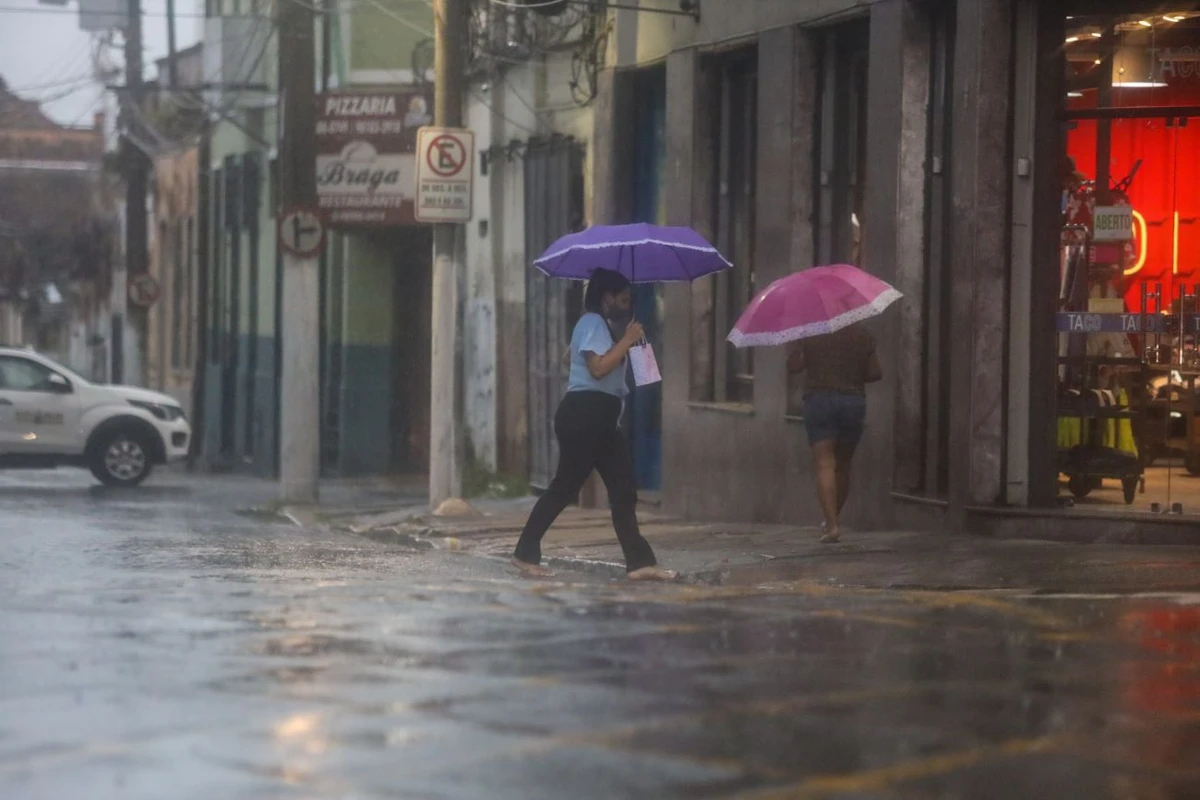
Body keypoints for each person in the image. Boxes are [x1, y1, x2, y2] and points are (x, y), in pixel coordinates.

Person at [512, 268, 675, 581]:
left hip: (603, 420)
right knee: (565, 487)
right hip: (583, 416)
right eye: (623, 299)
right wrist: (626, 341)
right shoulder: (592, 321)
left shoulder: (605, 329)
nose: (627, 305)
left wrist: (629, 342)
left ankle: (640, 563)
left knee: (624, 489)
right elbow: (598, 369)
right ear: (608, 297)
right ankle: (524, 551)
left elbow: (569, 359)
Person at [787, 322, 882, 543]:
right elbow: (876, 372)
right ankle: (833, 518)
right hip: (853, 401)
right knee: (844, 463)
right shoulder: (862, 333)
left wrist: (797, 346)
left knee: (825, 463)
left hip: (820, 401)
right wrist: (850, 375)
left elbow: (794, 367)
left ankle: (832, 526)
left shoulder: (810, 331)